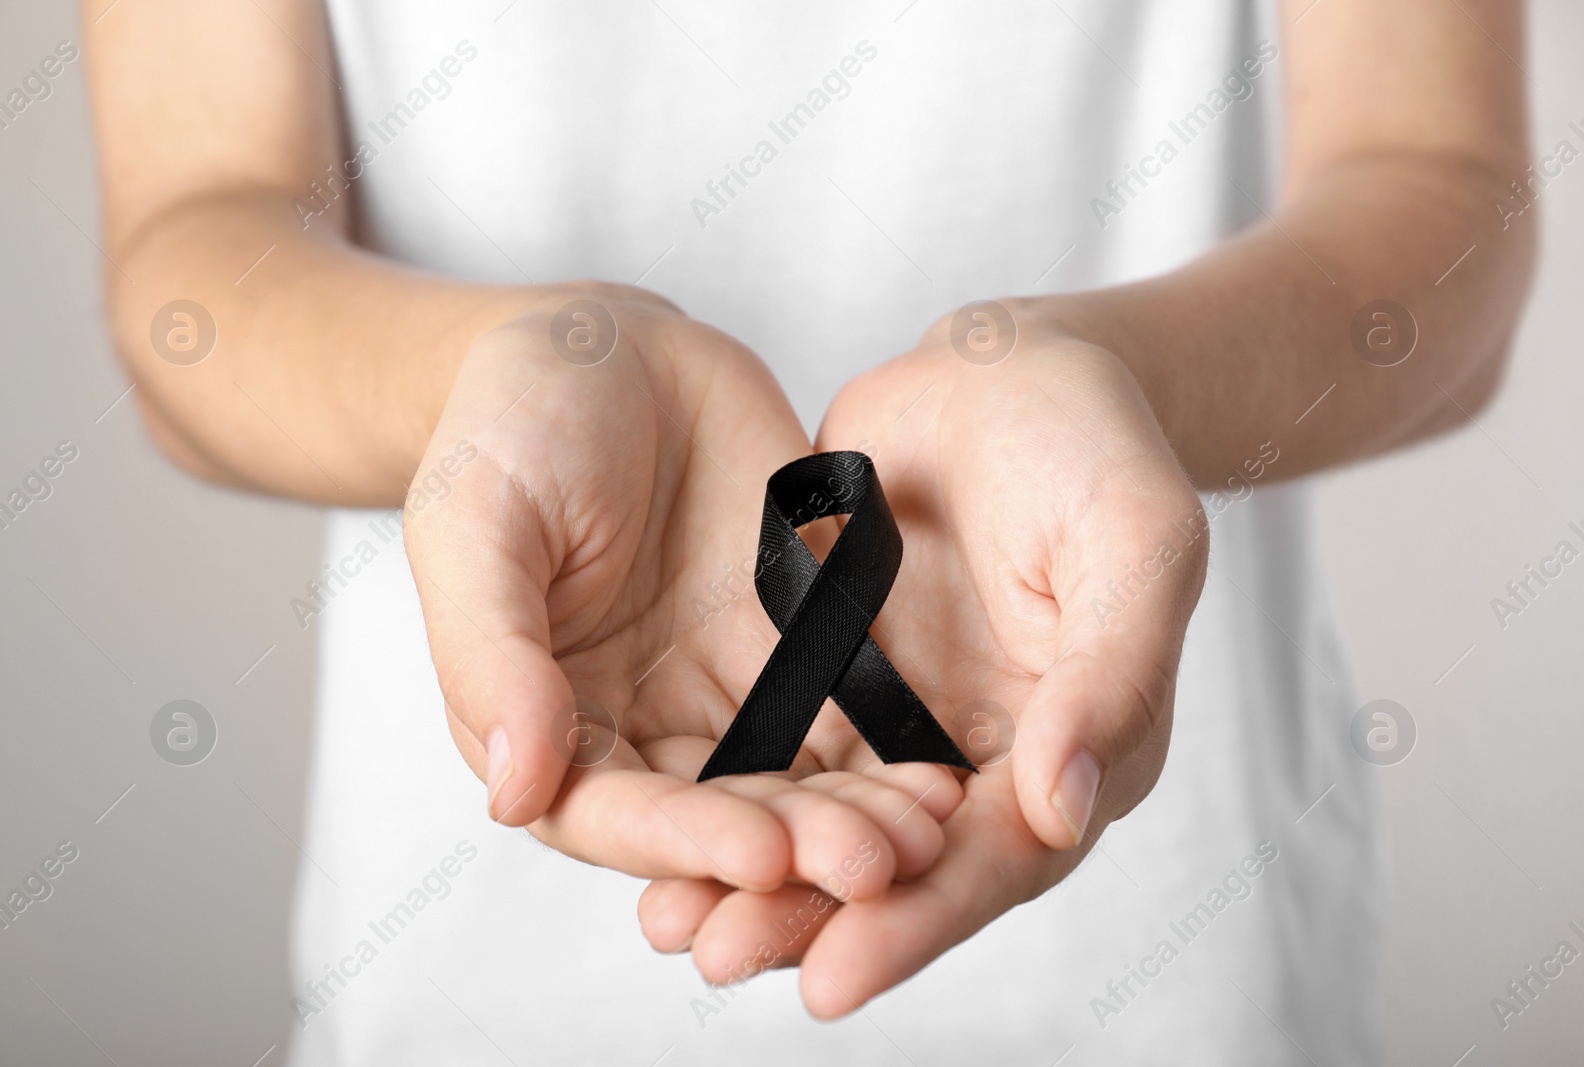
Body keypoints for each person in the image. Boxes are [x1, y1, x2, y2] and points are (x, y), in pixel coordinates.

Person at [84, 0, 1533, 1062]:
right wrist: (506, 369)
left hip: (1165, 941)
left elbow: (1438, 190)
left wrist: (1125, 378)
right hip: (467, 956)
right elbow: (194, 256)